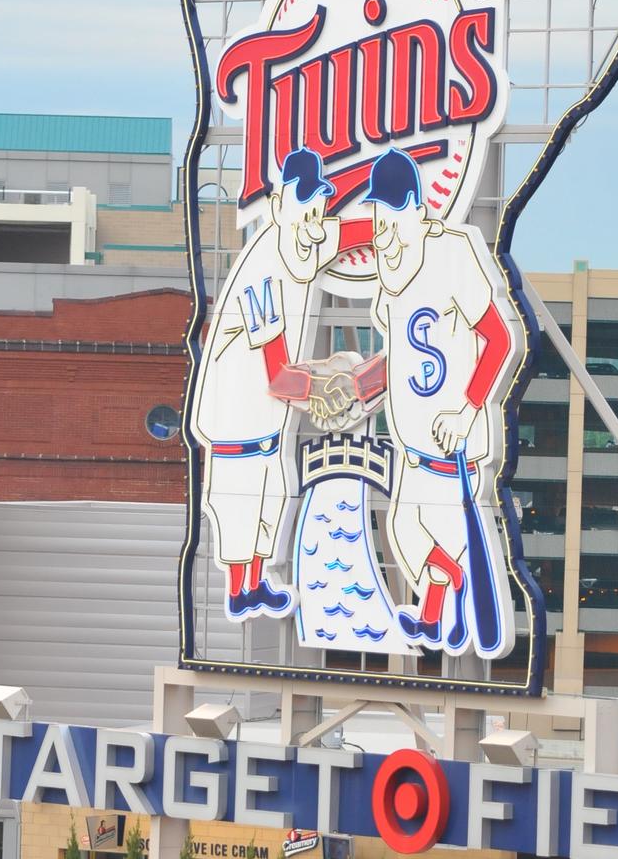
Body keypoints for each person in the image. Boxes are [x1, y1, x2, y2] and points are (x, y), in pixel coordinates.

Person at [355, 148, 521, 657]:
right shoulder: (394, 270)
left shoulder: (451, 251)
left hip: (453, 443)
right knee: (406, 532)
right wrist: (357, 385)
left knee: (439, 534)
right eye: (377, 211)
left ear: (411, 204)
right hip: (412, 443)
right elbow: (403, 355)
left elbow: (499, 339)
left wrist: (469, 408)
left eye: (387, 209)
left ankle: (451, 603)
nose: (380, 221)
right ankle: (440, 610)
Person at [189, 147, 349, 620]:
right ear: (280, 207)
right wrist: (327, 388)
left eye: (320, 212)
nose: (316, 227)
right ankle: (242, 588)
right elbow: (277, 373)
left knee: (272, 503)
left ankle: (255, 584)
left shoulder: (301, 239)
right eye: (307, 212)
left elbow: (349, 232)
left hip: (268, 429)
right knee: (242, 511)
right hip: (236, 431)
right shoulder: (260, 271)